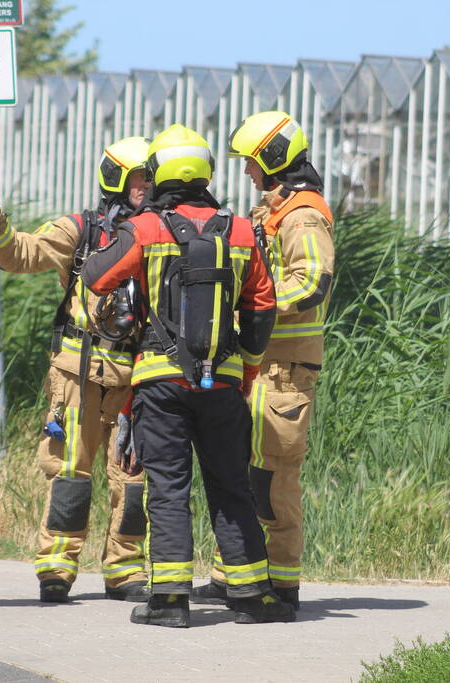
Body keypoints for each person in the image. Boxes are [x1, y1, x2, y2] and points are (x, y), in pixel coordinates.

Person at [81, 124, 294, 627]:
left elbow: (95, 277)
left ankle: (170, 601)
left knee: (169, 489)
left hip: (160, 382)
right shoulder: (241, 230)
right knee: (230, 486)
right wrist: (247, 368)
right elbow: (263, 308)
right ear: (205, 173)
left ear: (159, 173)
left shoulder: (149, 227)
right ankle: (250, 596)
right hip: (223, 383)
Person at [0, 137, 152, 604]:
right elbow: (17, 254)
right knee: (69, 471)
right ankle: (57, 567)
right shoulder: (80, 229)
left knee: (132, 478)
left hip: (136, 376)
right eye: (140, 178)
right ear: (117, 180)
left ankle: (124, 570)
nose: (147, 187)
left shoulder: (162, 232)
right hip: (77, 373)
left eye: (151, 178)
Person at [193, 111, 334, 610]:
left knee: (272, 475)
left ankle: (281, 586)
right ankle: (231, 574)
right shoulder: (272, 211)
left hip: (287, 369)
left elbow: (313, 280)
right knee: (240, 468)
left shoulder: (303, 216)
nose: (248, 174)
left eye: (252, 164)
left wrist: (257, 306)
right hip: (262, 364)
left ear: (274, 159)